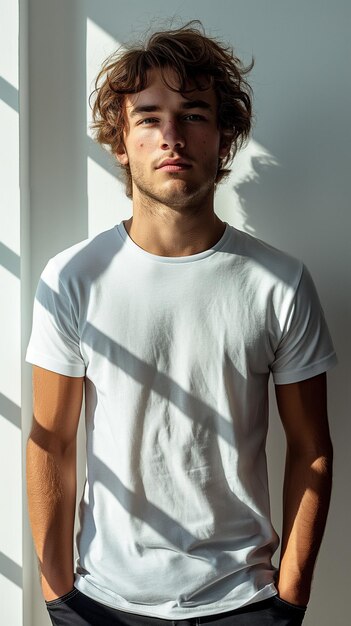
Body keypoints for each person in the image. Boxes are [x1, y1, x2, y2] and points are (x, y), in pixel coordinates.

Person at [25, 21, 337, 626]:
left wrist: (289, 600)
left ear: (223, 138)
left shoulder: (279, 282)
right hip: (102, 603)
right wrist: (59, 597)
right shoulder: (72, 279)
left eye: (194, 114)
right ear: (121, 141)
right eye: (147, 117)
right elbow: (51, 443)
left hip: (244, 602)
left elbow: (311, 449)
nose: (171, 135)